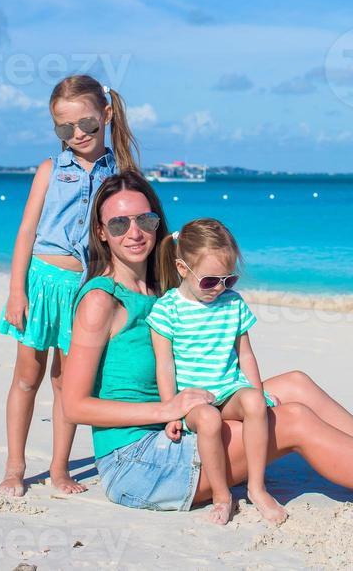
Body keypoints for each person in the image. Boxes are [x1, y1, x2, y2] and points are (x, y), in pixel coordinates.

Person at [63, 170, 353, 516]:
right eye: (118, 223)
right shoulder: (101, 301)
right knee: (292, 420)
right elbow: (75, 406)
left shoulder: (164, 291)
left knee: (294, 383)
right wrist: (165, 409)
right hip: (140, 464)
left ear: (159, 222)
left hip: (185, 427)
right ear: (101, 232)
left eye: (145, 218)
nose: (134, 231)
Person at [0, 75, 139, 497]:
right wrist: (16, 292)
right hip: (40, 284)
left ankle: (59, 470)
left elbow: (126, 238)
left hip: (86, 289)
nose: (77, 135)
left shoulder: (121, 175)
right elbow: (26, 233)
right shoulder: (50, 170)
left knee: (66, 382)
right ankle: (15, 466)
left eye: (87, 125)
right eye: (65, 128)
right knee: (27, 376)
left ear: (107, 116)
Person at [147, 219, 286, 526]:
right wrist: (171, 411)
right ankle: (223, 495)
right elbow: (165, 365)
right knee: (208, 418)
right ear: (183, 269)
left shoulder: (232, 304)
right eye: (210, 281)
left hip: (228, 388)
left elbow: (245, 353)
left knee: (254, 402)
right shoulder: (166, 310)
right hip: (192, 400)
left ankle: (257, 487)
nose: (220, 288)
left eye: (229, 280)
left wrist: (257, 391)